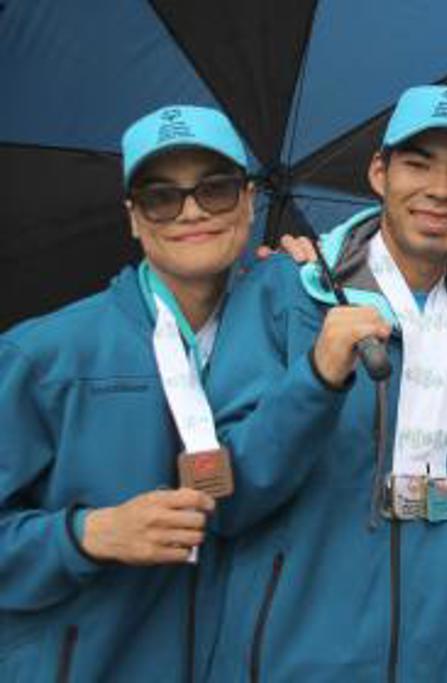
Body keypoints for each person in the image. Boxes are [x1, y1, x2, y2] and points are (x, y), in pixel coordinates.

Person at [204, 84, 447, 681]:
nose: (442, 190)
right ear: (380, 172)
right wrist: (316, 377)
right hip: (292, 662)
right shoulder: (281, 292)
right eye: (418, 164)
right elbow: (222, 495)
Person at [0, 105, 254, 681]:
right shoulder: (42, 356)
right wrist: (86, 534)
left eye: (215, 189)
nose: (191, 210)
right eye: (161, 197)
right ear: (135, 219)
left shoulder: (291, 344)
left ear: (250, 201)